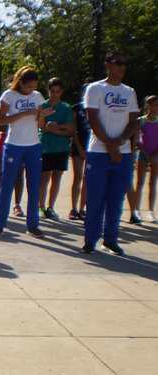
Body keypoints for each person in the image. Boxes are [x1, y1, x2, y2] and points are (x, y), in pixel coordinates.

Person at [82, 50, 140, 255]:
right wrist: (109, 144)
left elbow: (135, 121)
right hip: (99, 151)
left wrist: (121, 142)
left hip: (122, 154)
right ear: (108, 65)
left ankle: (111, 239)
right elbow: (92, 118)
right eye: (117, 63)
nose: (121, 67)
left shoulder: (129, 92)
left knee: (116, 199)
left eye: (124, 63)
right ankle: (90, 239)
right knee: (95, 198)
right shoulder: (95, 89)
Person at [0, 67, 51, 239]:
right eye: (29, 87)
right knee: (7, 184)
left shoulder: (38, 96)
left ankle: (33, 225)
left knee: (33, 185)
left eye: (34, 87)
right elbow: (1, 121)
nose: (31, 90)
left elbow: (40, 125)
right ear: (21, 82)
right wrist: (25, 113)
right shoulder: (8, 96)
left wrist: (42, 115)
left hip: (33, 144)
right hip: (13, 144)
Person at [38, 77, 75, 220]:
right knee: (44, 178)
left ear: (61, 91)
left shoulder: (66, 108)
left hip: (61, 148)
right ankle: (40, 207)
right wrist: (55, 128)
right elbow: (42, 127)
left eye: (57, 91)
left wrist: (56, 129)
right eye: (52, 91)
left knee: (56, 178)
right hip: (46, 147)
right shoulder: (43, 106)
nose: (54, 94)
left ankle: (50, 207)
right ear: (48, 90)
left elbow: (70, 128)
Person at [0, 102, 26, 217]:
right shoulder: (2, 105)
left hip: (20, 141)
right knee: (0, 173)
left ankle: (17, 204)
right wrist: (17, 119)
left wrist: (13, 120)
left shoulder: (25, 105)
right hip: (4, 140)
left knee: (19, 173)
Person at [130, 95, 158, 223]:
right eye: (156, 105)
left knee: (153, 183)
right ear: (148, 106)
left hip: (156, 156)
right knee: (140, 182)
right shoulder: (141, 121)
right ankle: (136, 209)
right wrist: (146, 155)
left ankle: (151, 211)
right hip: (143, 155)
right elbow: (136, 139)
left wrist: (154, 156)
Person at [69, 83, 91, 220]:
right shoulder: (76, 108)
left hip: (93, 146)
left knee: (87, 178)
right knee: (77, 177)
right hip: (79, 145)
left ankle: (83, 208)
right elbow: (73, 129)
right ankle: (74, 208)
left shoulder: (97, 108)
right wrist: (80, 148)